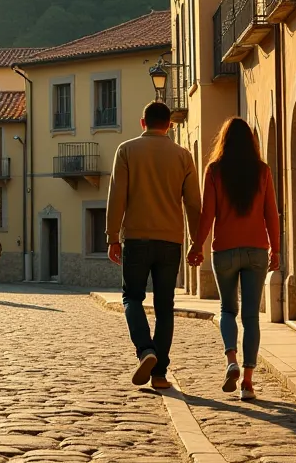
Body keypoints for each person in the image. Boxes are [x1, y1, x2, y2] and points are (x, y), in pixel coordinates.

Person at [106, 100, 201, 390]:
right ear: (170, 125)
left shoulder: (126, 150)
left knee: (132, 298)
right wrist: (197, 242)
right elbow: (194, 204)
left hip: (136, 238)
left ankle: (145, 350)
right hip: (170, 241)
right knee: (164, 306)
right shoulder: (183, 156)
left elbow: (116, 196)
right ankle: (159, 373)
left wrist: (112, 236)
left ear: (142, 122)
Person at [187, 117, 280, 401]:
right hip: (255, 251)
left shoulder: (214, 171)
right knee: (251, 316)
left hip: (224, 250)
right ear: (251, 143)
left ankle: (231, 360)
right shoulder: (262, 172)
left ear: (223, 142)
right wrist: (275, 249)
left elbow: (208, 214)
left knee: (228, 310)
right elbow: (271, 214)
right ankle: (248, 383)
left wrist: (196, 245)